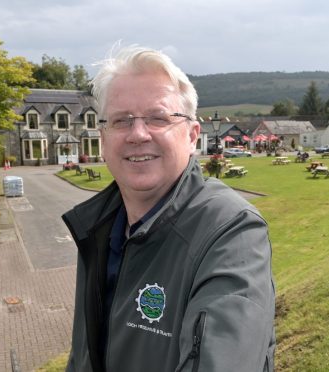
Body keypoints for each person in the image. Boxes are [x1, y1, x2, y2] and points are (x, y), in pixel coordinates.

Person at [62, 46, 275, 372]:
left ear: (192, 137)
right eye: (121, 121)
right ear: (103, 139)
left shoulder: (232, 232)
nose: (138, 134)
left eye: (158, 118)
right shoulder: (100, 227)